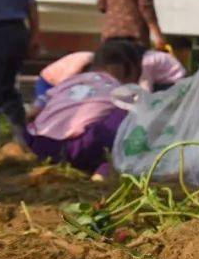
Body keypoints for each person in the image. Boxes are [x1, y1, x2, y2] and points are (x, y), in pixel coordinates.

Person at [24, 40, 142, 176]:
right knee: (128, 113)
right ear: (129, 69)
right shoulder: (122, 91)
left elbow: (36, 108)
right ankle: (104, 169)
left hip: (38, 142)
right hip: (78, 148)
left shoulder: (71, 81)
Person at [34, 46, 186, 108]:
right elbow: (64, 84)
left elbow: (145, 87)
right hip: (48, 81)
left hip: (172, 81)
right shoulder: (85, 61)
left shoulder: (147, 62)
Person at [0, 0, 40, 144]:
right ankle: (22, 140)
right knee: (6, 89)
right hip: (17, 32)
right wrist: (35, 36)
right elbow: (31, 4)